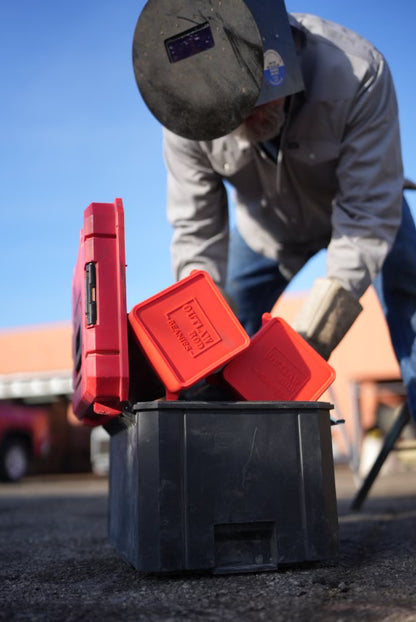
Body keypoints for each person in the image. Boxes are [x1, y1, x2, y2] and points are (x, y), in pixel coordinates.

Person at [137, 8, 416, 422]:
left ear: (278, 60)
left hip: (367, 216)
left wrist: (307, 343)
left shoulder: (358, 73)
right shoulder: (185, 111)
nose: (244, 120)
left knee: (410, 299)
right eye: (228, 117)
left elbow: (366, 217)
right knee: (219, 337)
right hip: (267, 233)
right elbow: (197, 231)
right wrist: (202, 341)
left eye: (252, 103)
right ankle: (237, 464)